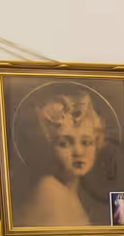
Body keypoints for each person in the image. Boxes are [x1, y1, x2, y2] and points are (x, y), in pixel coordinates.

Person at [15, 87, 108, 227]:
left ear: (97, 143)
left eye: (86, 142)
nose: (78, 151)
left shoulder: (70, 193)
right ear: (49, 147)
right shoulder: (49, 192)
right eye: (64, 143)